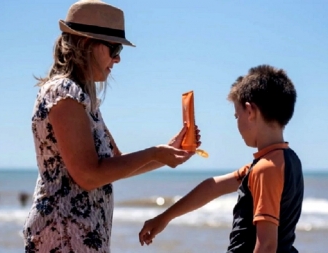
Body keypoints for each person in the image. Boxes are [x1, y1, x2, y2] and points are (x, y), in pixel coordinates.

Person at [23, 0, 200, 252]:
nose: (117, 59)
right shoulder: (64, 92)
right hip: (62, 236)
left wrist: (167, 152)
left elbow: (116, 164)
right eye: (114, 48)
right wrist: (154, 152)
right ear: (85, 44)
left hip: (77, 237)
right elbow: (88, 175)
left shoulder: (83, 99)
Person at [139, 65, 304, 253]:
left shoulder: (265, 169)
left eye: (236, 116)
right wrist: (164, 218)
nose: (237, 123)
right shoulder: (286, 161)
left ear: (250, 112)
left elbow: (266, 246)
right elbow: (213, 186)